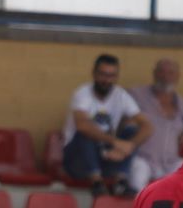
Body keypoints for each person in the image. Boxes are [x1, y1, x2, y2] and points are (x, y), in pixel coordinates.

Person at [62, 53, 153, 196]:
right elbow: (82, 125)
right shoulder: (82, 93)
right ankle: (96, 182)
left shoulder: (121, 95)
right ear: (94, 74)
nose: (106, 80)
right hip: (77, 161)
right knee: (86, 132)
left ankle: (120, 182)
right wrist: (115, 142)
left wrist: (129, 146)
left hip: (105, 156)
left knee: (132, 131)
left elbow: (147, 126)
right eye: (103, 74)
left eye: (111, 75)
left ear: (116, 77)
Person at [127, 58, 183, 191]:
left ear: (177, 76)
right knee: (137, 172)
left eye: (170, 73)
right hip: (143, 158)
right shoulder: (136, 95)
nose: (165, 77)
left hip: (170, 162)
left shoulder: (181, 104)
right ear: (154, 74)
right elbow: (123, 124)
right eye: (161, 72)